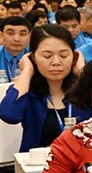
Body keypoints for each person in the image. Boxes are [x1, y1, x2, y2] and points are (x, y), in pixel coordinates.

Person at [0, 25, 83, 154]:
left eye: (64, 55)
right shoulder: (27, 91)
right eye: (47, 56)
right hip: (38, 170)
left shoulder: (84, 91)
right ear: (33, 58)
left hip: (83, 169)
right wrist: (27, 71)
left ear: (74, 57)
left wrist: (82, 73)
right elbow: (9, 115)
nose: (56, 62)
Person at [0, 15, 31, 82]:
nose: (17, 39)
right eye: (11, 33)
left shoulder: (36, 57)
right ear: (1, 36)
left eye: (22, 34)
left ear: (30, 37)